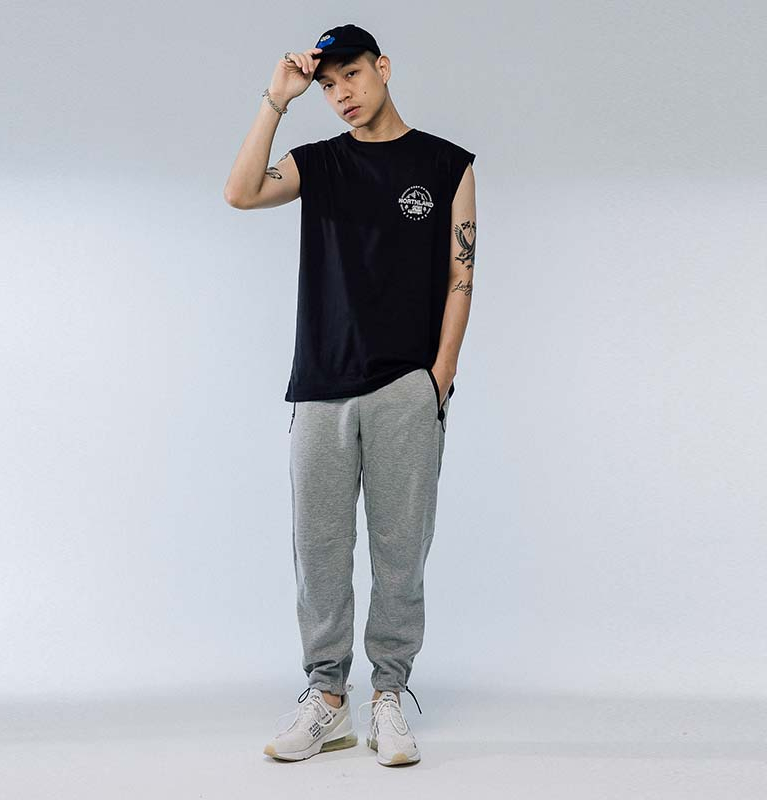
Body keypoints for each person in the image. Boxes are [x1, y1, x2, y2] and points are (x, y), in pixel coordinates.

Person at [224, 23, 476, 766]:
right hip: (321, 385)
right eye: (328, 85)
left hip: (407, 387)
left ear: (383, 67)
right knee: (320, 550)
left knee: (401, 550)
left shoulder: (448, 163)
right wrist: (278, 98)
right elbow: (240, 193)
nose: (341, 94)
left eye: (352, 76)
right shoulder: (320, 162)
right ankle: (327, 700)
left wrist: (439, 376)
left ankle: (389, 695)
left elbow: (461, 275)